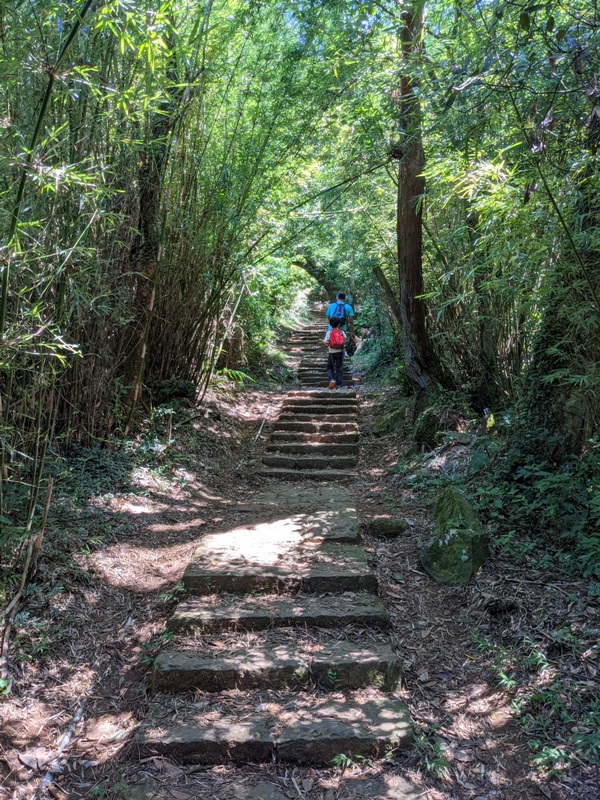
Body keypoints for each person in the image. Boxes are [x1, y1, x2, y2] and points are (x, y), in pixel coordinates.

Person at [322, 317, 346, 390]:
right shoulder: (342, 332)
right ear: (339, 324)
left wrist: (329, 345)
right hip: (340, 352)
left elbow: (325, 341)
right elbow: (344, 339)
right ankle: (339, 384)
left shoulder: (329, 332)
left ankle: (332, 379)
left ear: (330, 324)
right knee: (339, 367)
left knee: (330, 367)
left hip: (332, 352)